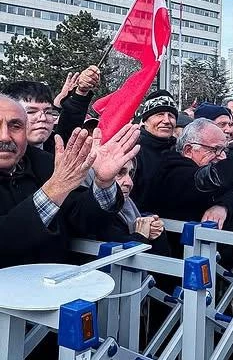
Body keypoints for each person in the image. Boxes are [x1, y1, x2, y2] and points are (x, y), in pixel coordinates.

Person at [0, 94, 139, 269]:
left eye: (15, 126)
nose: (5, 136)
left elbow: (83, 220)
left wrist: (103, 183)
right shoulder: (56, 173)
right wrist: (53, 191)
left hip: (57, 285)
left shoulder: (44, 163)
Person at [99, 159, 171, 256]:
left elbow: (162, 266)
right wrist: (141, 236)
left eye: (131, 173)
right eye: (119, 173)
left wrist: (155, 230)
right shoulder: (90, 213)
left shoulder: (128, 207)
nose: (129, 183)